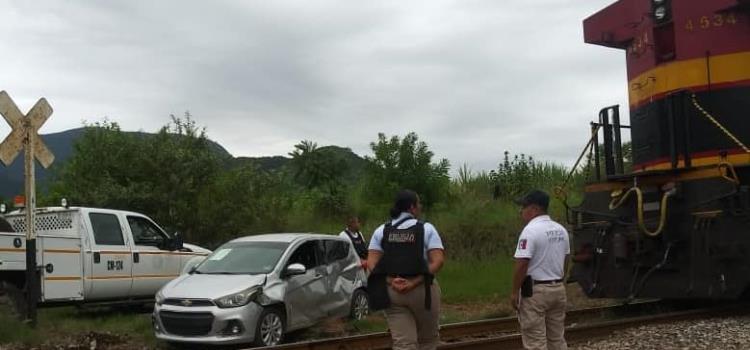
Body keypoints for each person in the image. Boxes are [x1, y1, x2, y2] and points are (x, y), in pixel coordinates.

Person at [367, 190, 445, 350]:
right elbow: (438, 261)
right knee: (427, 342)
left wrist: (390, 281)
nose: (420, 206)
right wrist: (414, 282)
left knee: (403, 344)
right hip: (423, 292)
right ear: (412, 207)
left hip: (393, 293)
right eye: (419, 203)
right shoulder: (427, 229)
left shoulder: (381, 230)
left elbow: (371, 263)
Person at [510, 189, 570, 350]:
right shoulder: (561, 230)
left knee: (535, 342)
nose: (521, 211)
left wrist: (515, 291)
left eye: (523, 207)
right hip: (558, 288)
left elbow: (522, 263)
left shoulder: (530, 231)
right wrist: (559, 280)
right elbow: (566, 258)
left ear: (534, 209)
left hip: (535, 292)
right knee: (557, 339)